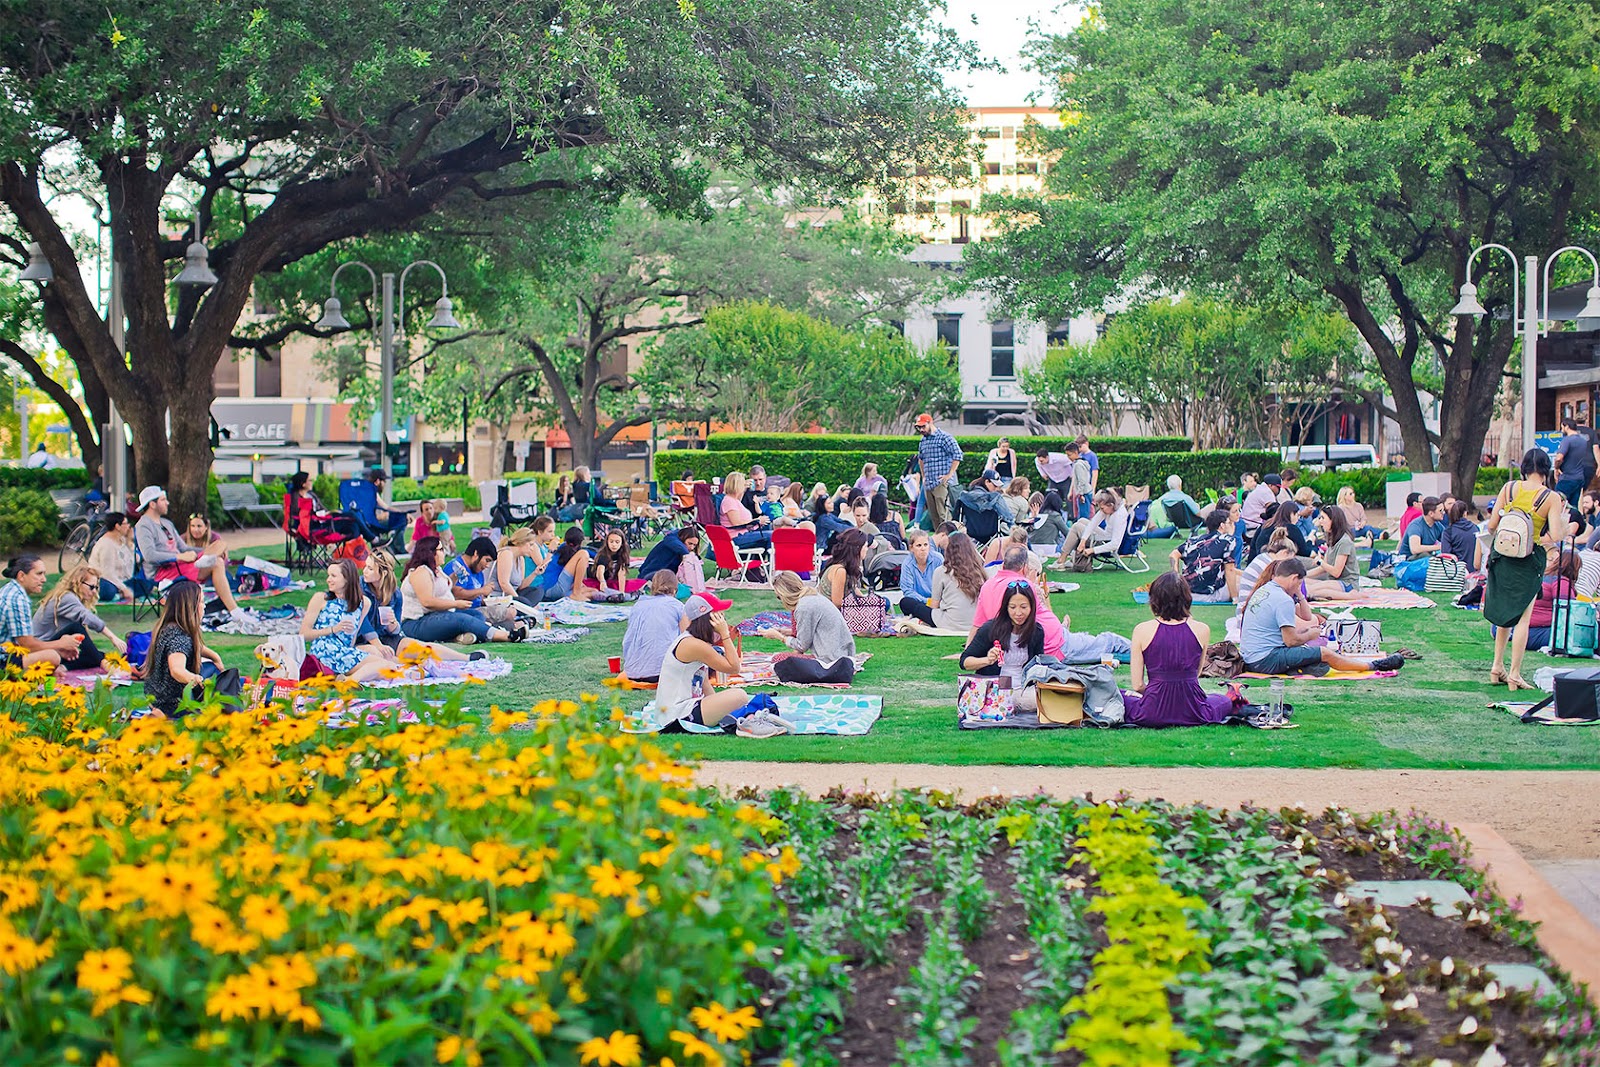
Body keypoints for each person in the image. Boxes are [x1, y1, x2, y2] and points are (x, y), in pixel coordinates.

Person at [1486, 449, 1570, 690]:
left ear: (1524, 468)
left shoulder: (1509, 488)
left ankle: (1496, 666)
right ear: (1545, 470)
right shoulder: (1551, 497)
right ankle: (1514, 674)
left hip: (1502, 557)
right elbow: (1555, 535)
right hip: (1528, 560)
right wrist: (1562, 524)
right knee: (1523, 618)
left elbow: (1492, 525)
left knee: (1504, 614)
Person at [1239, 559, 1406, 675]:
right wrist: (1310, 635)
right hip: (1265, 660)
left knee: (1310, 651)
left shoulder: (1265, 590)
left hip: (1252, 657)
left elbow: (1299, 622)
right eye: (1299, 584)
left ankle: (1303, 665)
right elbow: (1291, 641)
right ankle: (1371, 666)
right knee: (1324, 652)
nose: (1299, 587)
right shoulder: (1282, 599)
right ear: (1294, 578)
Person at [1122, 572, 1238, 727]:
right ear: (1187, 598)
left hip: (1152, 711)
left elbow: (1137, 686)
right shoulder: (1202, 629)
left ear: (1154, 600)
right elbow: (1196, 673)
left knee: (1121, 695)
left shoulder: (1142, 630)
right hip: (1192, 709)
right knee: (1223, 700)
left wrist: (1154, 694)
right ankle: (1234, 692)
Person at [133, 486, 251, 622]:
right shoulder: (143, 526)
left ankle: (206, 560)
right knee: (217, 562)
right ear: (153, 504)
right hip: (164, 573)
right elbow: (149, 555)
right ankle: (235, 612)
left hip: (180, 566)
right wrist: (179, 557)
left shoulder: (166, 523)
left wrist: (211, 551)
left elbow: (183, 547)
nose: (167, 503)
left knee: (221, 544)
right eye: (163, 500)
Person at [655, 594, 756, 730]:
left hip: (676, 711)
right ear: (710, 618)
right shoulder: (693, 644)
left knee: (736, 699)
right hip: (676, 715)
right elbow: (734, 667)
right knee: (740, 696)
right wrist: (725, 634)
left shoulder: (694, 641)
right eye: (719, 614)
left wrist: (718, 706)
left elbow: (704, 683)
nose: (723, 617)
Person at [357, 549, 473, 664]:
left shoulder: (395, 593)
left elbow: (396, 629)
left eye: (370, 568)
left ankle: (466, 658)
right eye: (366, 566)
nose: (365, 571)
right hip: (362, 640)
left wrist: (392, 624)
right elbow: (362, 622)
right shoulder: (359, 589)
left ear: (384, 573)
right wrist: (378, 645)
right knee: (378, 654)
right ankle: (410, 666)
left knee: (420, 647)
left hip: (386, 638)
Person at [401, 536, 514, 644]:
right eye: (441, 549)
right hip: (416, 623)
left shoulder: (436, 570)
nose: (444, 552)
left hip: (435, 616)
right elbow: (427, 602)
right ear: (430, 552)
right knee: (461, 619)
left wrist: (455, 577)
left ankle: (457, 638)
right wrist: (455, 604)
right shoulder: (421, 572)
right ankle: (506, 636)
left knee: (476, 615)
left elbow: (441, 591)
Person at [141, 580, 225, 718]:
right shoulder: (180, 637)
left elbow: (194, 647)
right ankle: (161, 715)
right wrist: (194, 678)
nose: (204, 606)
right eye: (202, 602)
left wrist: (214, 656)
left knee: (210, 667)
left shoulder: (169, 627)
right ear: (191, 607)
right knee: (215, 682)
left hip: (154, 693)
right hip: (172, 700)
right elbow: (176, 670)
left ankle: (159, 713)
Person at [961, 581, 1047, 713]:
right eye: (1012, 607)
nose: (1018, 613)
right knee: (1040, 702)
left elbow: (1039, 664)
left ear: (1032, 607)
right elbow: (965, 662)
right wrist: (987, 660)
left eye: (1023, 607)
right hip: (996, 689)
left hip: (1023, 687)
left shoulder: (1036, 632)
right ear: (1006, 607)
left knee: (1054, 697)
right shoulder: (990, 629)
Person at [970, 544, 1067, 658]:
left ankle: (1064, 627)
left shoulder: (987, 586)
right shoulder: (1023, 586)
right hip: (1052, 644)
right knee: (1090, 644)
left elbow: (977, 624)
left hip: (1037, 643)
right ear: (1025, 567)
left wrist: (968, 653)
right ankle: (1064, 628)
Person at [763, 571, 859, 683]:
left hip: (830, 661)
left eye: (779, 597)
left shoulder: (804, 607)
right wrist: (783, 632)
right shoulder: (812, 597)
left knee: (778, 659)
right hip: (842, 654)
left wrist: (779, 636)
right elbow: (811, 630)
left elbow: (801, 645)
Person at [301, 560, 389, 682]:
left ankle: (344, 677)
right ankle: (349, 681)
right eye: (328, 575)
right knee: (388, 667)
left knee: (376, 654)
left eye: (333, 576)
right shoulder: (321, 599)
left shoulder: (363, 603)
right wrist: (333, 629)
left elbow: (351, 641)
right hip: (325, 651)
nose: (328, 579)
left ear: (347, 578)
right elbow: (304, 634)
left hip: (343, 650)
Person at [32, 563, 127, 671]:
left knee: (93, 653)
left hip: (53, 647)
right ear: (77, 582)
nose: (94, 591)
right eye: (91, 587)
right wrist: (112, 637)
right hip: (41, 648)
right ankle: (105, 665)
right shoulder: (67, 597)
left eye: (96, 587)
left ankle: (64, 667)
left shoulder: (70, 598)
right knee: (76, 628)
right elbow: (88, 618)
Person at [1, 556, 77, 670]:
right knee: (52, 657)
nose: (44, 579)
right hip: (3, 660)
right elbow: (28, 645)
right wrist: (61, 644)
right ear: (21, 576)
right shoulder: (17, 600)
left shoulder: (10, 590)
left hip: (8, 652)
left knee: (51, 654)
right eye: (39, 574)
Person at [620, 571, 688, 682]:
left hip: (631, 671)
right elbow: (688, 638)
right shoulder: (677, 606)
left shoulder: (638, 605)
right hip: (662, 672)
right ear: (675, 589)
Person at [821, 529, 889, 635]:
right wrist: (862, 607)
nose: (867, 549)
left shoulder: (847, 567)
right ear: (857, 548)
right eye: (865, 546)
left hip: (841, 610)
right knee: (879, 607)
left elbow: (853, 588)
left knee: (883, 602)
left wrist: (866, 602)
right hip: (829, 614)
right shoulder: (840, 570)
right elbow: (837, 603)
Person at [920, 530, 986, 632]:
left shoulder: (942, 571)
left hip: (950, 623)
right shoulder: (980, 571)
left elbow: (934, 604)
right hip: (976, 622)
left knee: (907, 603)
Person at [1170, 507, 1238, 603]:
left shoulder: (1194, 540)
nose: (1233, 526)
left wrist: (1175, 575)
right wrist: (1235, 598)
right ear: (1222, 526)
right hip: (1211, 595)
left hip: (1187, 593)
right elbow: (1230, 570)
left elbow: (1173, 554)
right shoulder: (1227, 541)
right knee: (1244, 581)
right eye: (1230, 523)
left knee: (1240, 574)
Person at [1522, 549, 1580, 652]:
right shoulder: (1561, 582)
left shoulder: (1542, 577)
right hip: (1539, 632)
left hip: (1522, 629)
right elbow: (1569, 611)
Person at [915, 413, 963, 528]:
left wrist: (949, 474)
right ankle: (939, 541)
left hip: (941, 482)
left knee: (944, 515)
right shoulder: (923, 441)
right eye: (919, 427)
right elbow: (921, 459)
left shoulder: (944, 437)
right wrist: (924, 476)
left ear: (930, 423)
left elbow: (958, 455)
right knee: (934, 516)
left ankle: (951, 540)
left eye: (923, 426)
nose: (921, 429)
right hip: (928, 483)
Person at [1057, 489, 1129, 564]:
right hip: (1106, 536)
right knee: (1082, 520)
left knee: (1076, 527)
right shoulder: (1110, 508)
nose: (1101, 510)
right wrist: (1083, 541)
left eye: (1102, 508)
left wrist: (1092, 550)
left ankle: (1061, 560)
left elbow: (1115, 544)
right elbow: (1093, 523)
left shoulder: (1120, 515)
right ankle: (1074, 559)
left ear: (1110, 505)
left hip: (1107, 542)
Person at [1304, 506, 1361, 598]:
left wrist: (1320, 562)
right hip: (1334, 581)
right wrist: (1303, 575)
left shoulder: (1344, 542)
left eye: (1323, 518)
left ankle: (1350, 596)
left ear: (1333, 520)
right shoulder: (1332, 539)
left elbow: (1336, 572)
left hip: (1347, 584)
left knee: (1311, 590)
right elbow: (1324, 567)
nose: (1320, 521)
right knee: (1302, 583)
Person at [88, 512, 143, 601]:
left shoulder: (123, 540)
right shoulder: (106, 545)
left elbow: (137, 559)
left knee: (147, 584)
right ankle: (120, 593)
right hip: (106, 581)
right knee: (108, 591)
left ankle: (121, 594)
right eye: (126, 524)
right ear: (117, 526)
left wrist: (129, 542)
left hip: (123, 580)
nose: (129, 526)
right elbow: (107, 573)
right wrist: (123, 588)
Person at [488, 525, 546, 605]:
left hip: (513, 595)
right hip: (499, 597)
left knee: (538, 591)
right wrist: (519, 601)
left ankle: (525, 607)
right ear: (521, 543)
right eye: (531, 545)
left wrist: (535, 573)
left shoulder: (521, 559)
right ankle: (525, 607)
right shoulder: (506, 554)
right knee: (525, 602)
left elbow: (520, 586)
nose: (532, 549)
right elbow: (504, 584)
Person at [896, 529, 945, 622]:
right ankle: (931, 618)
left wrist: (935, 601)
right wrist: (927, 601)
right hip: (920, 603)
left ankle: (926, 618)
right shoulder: (907, 564)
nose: (923, 548)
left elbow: (945, 583)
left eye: (925, 545)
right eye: (919, 545)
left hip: (939, 602)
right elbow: (908, 591)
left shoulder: (938, 559)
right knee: (905, 602)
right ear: (911, 548)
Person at [1553, 415, 1598, 506]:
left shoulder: (1567, 440)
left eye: (1562, 427)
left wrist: (1556, 468)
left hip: (1567, 478)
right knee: (1573, 506)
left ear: (1567, 427)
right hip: (1579, 478)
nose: (1561, 430)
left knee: (1557, 503)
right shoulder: (1583, 441)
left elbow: (1559, 458)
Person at [718, 472, 771, 549]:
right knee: (772, 535)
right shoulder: (729, 501)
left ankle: (764, 559)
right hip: (736, 537)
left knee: (771, 528)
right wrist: (757, 520)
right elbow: (736, 523)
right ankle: (772, 560)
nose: (744, 485)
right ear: (738, 485)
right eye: (743, 483)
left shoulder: (734, 500)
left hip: (743, 533)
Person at [542, 527, 596, 602]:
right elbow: (587, 552)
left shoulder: (567, 548)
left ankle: (571, 596)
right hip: (553, 587)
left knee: (593, 592)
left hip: (550, 591)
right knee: (584, 554)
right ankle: (576, 594)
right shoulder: (565, 549)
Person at [445, 536, 499, 609]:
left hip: (478, 608)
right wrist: (482, 590)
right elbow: (456, 594)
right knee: (510, 613)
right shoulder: (456, 566)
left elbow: (478, 598)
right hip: (462, 611)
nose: (487, 566)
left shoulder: (478, 571)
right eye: (487, 560)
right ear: (476, 554)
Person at [364, 470, 410, 548]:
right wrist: (403, 514)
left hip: (365, 525)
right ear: (378, 481)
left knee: (397, 518)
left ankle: (392, 541)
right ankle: (399, 549)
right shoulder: (372, 492)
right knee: (402, 519)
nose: (384, 484)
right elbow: (386, 507)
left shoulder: (366, 491)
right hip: (371, 526)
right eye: (384, 481)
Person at [1440, 499, 1485, 571]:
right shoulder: (1475, 528)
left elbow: (1446, 555)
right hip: (1475, 570)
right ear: (1465, 513)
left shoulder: (1448, 532)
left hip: (1457, 572)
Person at [591, 529, 634, 595]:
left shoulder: (623, 554)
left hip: (614, 580)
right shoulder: (603, 554)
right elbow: (600, 571)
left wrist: (621, 592)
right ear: (607, 542)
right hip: (600, 581)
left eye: (617, 542)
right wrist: (602, 582)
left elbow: (622, 573)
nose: (614, 545)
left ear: (622, 543)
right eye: (611, 542)